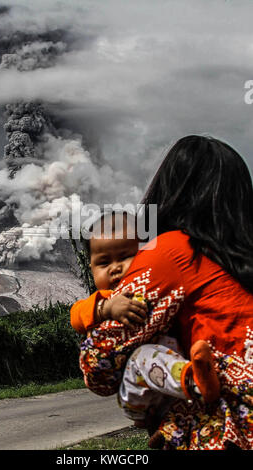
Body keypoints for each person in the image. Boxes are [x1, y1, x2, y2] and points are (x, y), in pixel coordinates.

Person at [75, 135, 253, 450]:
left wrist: (100, 310)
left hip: (231, 426)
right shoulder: (240, 260)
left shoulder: (173, 252)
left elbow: (99, 365)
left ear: (171, 190)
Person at [71, 209, 220, 443]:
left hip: (167, 386)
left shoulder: (154, 281)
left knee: (170, 347)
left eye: (125, 256)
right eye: (103, 262)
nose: (115, 268)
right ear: (90, 268)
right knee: (144, 355)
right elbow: (76, 315)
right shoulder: (103, 298)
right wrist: (106, 308)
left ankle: (167, 428)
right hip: (135, 391)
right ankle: (195, 381)